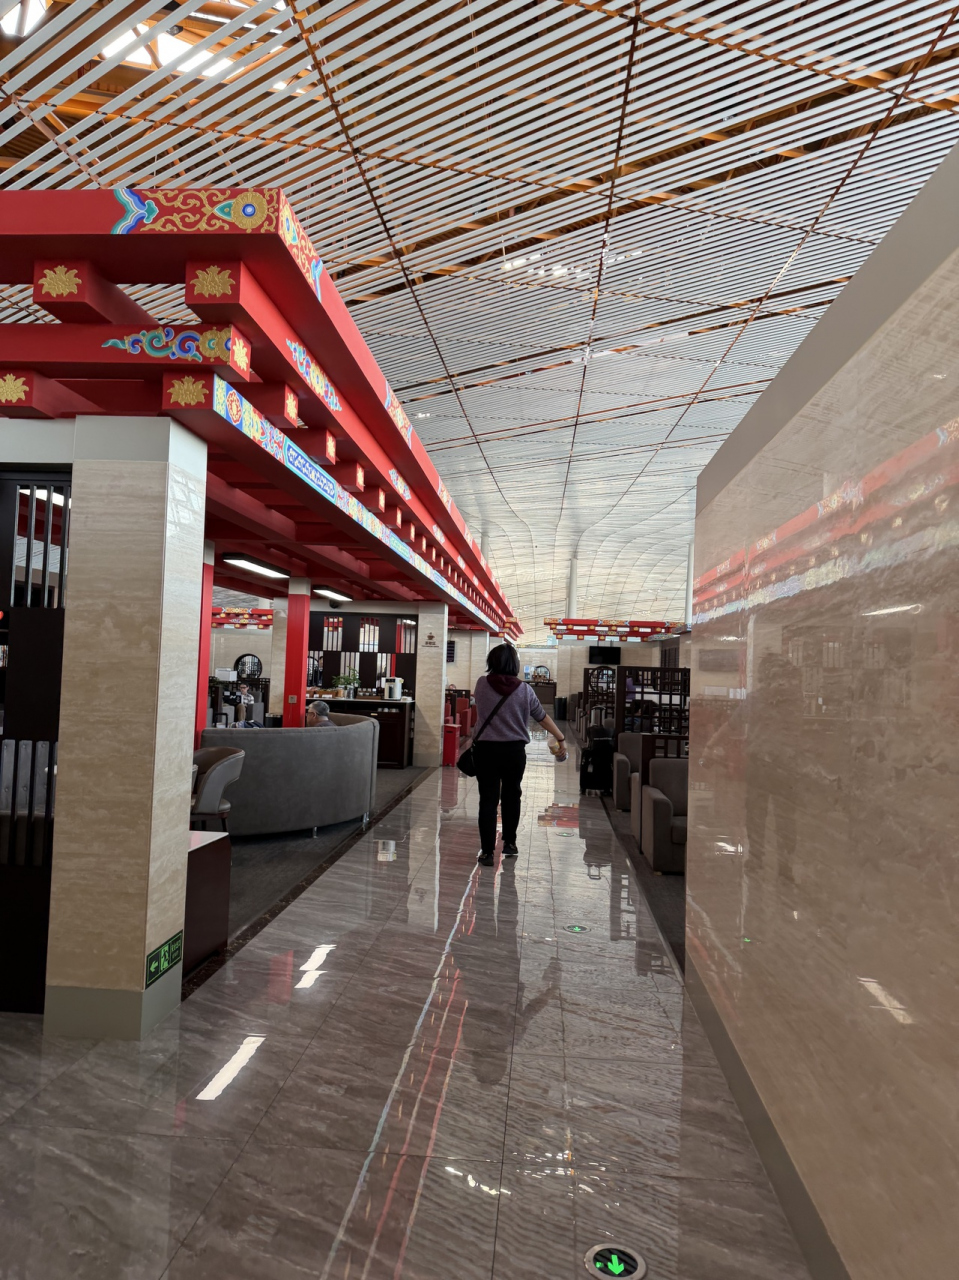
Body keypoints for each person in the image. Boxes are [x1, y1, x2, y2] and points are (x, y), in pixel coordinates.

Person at [472, 643, 567, 866]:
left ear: (491, 661)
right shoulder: (525, 690)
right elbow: (542, 717)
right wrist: (561, 737)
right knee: (512, 795)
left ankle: (487, 853)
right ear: (515, 664)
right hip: (514, 751)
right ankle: (510, 843)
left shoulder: (482, 684)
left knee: (488, 799)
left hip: (486, 750)